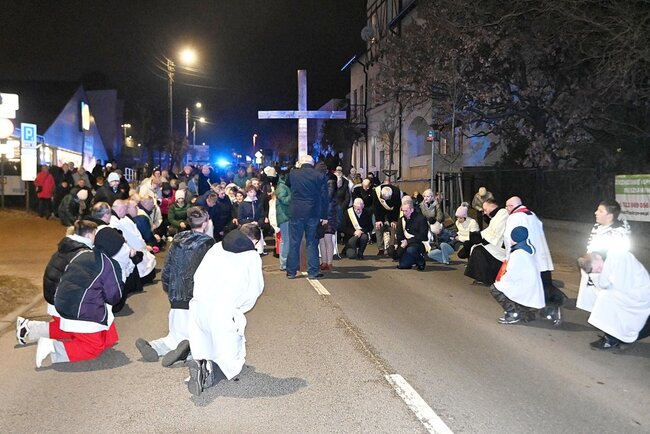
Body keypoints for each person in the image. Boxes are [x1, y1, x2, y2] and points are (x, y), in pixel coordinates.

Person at [27, 221, 124, 367]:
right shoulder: (108, 264)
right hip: (79, 311)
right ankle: (52, 347)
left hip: (62, 303)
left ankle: (29, 328)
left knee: (75, 328)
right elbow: (114, 297)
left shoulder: (83, 254)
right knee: (93, 348)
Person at [186, 224, 265, 395]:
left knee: (205, 343)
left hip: (198, 306)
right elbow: (254, 289)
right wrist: (239, 308)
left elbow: (198, 275)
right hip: (223, 311)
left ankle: (200, 361)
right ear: (254, 241)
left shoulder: (216, 247)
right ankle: (209, 370)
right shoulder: (251, 257)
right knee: (232, 361)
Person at [135, 207, 215, 365]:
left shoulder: (177, 240)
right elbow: (210, 272)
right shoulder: (208, 244)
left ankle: (154, 346)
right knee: (200, 334)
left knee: (174, 334)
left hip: (176, 293)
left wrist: (168, 286)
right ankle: (188, 352)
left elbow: (167, 266)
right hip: (195, 295)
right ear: (205, 223)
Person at [16, 220, 95, 346]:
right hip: (59, 300)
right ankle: (30, 328)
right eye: (95, 234)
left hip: (54, 296)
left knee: (71, 329)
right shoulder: (81, 253)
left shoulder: (69, 246)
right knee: (76, 330)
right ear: (89, 235)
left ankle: (28, 327)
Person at [504, 196, 563, 324]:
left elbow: (509, 239)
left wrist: (508, 258)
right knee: (544, 284)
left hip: (525, 257)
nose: (506, 209)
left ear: (512, 206)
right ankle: (552, 308)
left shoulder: (514, 217)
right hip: (541, 255)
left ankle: (522, 312)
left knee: (523, 285)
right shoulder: (531, 214)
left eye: (507, 207)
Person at [577, 250, 650, 350]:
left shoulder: (615, 256)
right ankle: (614, 336)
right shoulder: (609, 256)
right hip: (635, 291)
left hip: (638, 293)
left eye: (599, 268)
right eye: (597, 271)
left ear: (598, 257)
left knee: (606, 301)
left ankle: (612, 338)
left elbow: (604, 283)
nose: (600, 270)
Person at [576, 200, 631, 319]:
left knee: (609, 304)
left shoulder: (618, 234)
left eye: (600, 211)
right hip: (595, 273)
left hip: (605, 275)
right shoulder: (598, 227)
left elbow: (615, 258)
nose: (596, 213)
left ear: (610, 216)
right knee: (598, 304)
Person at [489, 226, 545, 324]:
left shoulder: (518, 253)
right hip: (531, 284)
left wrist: (501, 281)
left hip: (523, 284)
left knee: (495, 289)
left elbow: (512, 273)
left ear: (514, 238)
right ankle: (526, 313)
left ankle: (512, 314)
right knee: (508, 289)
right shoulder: (528, 248)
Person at [285, 154, 329, 280]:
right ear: (313, 163)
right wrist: (324, 215)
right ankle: (313, 271)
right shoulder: (319, 176)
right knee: (312, 243)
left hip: (296, 212)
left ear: (300, 163)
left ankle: (291, 271)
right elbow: (325, 197)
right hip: (313, 213)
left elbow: (287, 183)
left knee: (294, 242)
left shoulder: (293, 174)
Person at [464, 198, 508, 285]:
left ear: (492, 206)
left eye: (485, 209)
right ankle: (483, 277)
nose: (484, 212)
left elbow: (495, 233)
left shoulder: (503, 213)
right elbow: (489, 231)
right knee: (476, 248)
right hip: (497, 244)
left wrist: (481, 238)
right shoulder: (497, 215)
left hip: (502, 247)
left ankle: (487, 278)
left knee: (478, 250)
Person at [395, 200, 428, 271]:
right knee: (403, 265)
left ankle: (421, 261)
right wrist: (399, 246)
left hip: (418, 244)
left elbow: (424, 236)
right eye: (403, 211)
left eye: (406, 211)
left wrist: (408, 241)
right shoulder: (402, 219)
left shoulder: (421, 219)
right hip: (406, 245)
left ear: (412, 210)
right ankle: (413, 260)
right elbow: (399, 235)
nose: (404, 213)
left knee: (411, 250)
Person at [318, 162, 339, 272]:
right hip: (324, 213)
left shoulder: (330, 181)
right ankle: (324, 262)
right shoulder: (328, 180)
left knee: (327, 238)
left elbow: (328, 197)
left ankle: (329, 262)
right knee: (322, 239)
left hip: (328, 213)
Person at [373, 183, 402, 258]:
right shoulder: (377, 192)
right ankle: (381, 249)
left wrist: (394, 220)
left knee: (394, 227)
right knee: (378, 228)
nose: (385, 200)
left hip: (392, 216)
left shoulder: (397, 193)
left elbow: (396, 208)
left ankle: (391, 247)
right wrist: (378, 220)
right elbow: (376, 207)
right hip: (381, 216)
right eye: (384, 198)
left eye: (387, 198)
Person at [275, 171, 292, 271]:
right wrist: (293, 194)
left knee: (286, 241)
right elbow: (285, 200)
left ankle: (285, 263)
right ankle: (284, 264)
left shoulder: (283, 186)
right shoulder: (281, 187)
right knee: (286, 241)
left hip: (286, 216)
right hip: (284, 216)